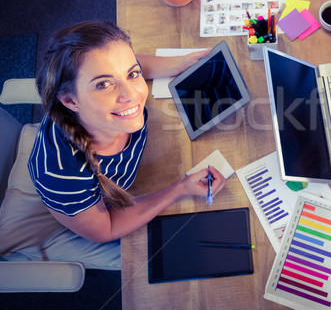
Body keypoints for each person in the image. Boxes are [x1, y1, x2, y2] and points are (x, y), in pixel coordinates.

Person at [28, 21, 227, 251]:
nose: (131, 94)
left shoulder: (116, 109)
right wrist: (180, 189)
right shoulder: (63, 177)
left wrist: (179, 64)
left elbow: (123, 64)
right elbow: (106, 229)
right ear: (71, 101)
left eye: (132, 74)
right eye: (103, 84)